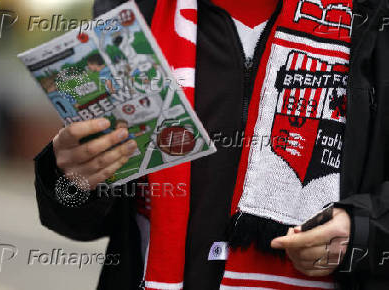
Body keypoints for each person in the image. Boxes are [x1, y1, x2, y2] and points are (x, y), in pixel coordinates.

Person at [33, 0, 389, 289]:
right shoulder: (134, 14)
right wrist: (69, 179)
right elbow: (78, 222)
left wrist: (362, 232)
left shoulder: (374, 19)